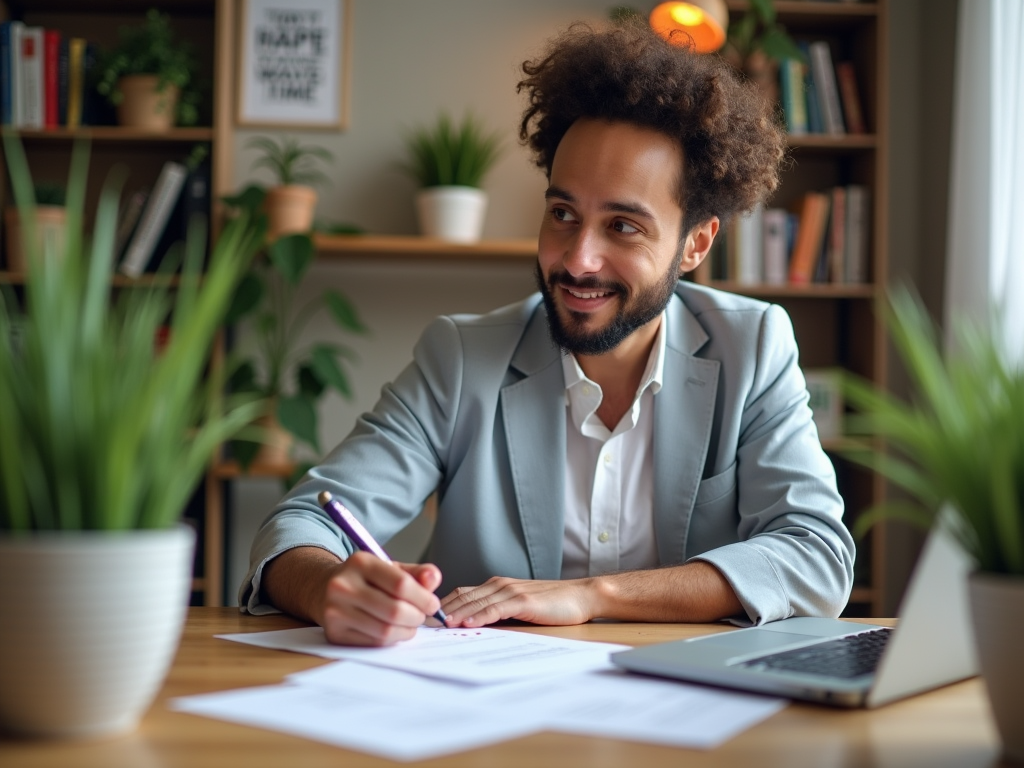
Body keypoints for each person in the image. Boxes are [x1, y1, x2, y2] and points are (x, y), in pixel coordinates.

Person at [240, 21, 855, 646]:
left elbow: (815, 556)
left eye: (623, 226)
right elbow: (296, 526)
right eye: (563, 214)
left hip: (686, 711)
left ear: (695, 243)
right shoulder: (461, 358)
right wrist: (330, 588)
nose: (578, 259)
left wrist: (592, 596)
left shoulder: (752, 347)